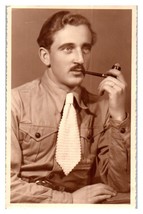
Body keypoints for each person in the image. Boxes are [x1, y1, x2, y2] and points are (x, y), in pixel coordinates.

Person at [11, 10, 130, 204]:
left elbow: (121, 185)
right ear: (45, 56)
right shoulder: (14, 103)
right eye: (68, 48)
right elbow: (5, 184)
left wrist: (118, 116)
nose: (80, 60)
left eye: (85, 48)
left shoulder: (102, 108)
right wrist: (68, 201)